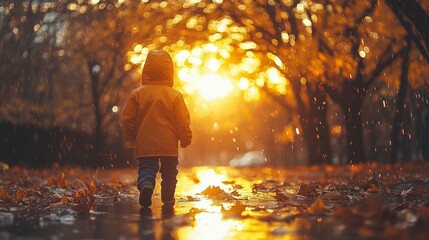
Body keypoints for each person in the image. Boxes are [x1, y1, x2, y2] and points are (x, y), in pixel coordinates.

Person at [121, 49, 192, 208]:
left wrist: (130, 138)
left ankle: (146, 185)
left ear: (147, 70)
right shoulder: (175, 95)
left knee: (147, 168)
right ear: (169, 71)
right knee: (169, 172)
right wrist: (185, 137)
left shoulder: (137, 94)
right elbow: (182, 120)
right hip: (168, 143)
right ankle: (168, 197)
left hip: (146, 142)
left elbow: (128, 119)